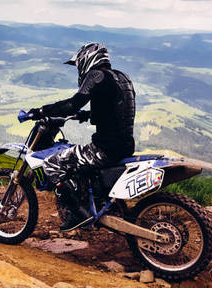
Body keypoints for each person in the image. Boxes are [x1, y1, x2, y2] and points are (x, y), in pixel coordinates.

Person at [28, 43, 136, 231]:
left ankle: (79, 214)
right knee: (78, 161)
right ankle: (95, 201)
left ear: (87, 59)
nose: (79, 69)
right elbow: (113, 109)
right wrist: (85, 115)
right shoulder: (121, 77)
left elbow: (72, 103)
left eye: (79, 64)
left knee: (52, 164)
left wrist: (42, 111)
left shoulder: (96, 75)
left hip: (104, 149)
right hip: (125, 146)